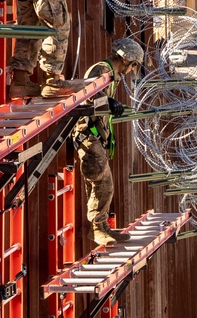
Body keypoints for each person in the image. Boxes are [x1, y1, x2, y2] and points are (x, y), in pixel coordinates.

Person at [73, 38, 144, 246]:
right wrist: (109, 102)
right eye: (133, 65)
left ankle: (103, 227)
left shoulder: (112, 75)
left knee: (105, 185)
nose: (132, 70)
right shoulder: (101, 70)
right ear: (127, 60)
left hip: (95, 135)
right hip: (87, 133)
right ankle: (97, 228)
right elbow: (88, 95)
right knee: (101, 182)